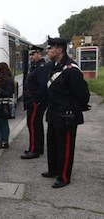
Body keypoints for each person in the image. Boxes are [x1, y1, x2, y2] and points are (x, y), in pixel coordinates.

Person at [41, 37, 90, 188]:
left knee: (65, 147)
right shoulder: (52, 66)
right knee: (52, 143)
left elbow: (82, 94)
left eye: (50, 48)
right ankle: (54, 170)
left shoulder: (71, 69)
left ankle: (64, 177)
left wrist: (74, 108)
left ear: (59, 49)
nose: (47, 51)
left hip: (66, 114)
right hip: (54, 112)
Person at [21, 45, 48, 159]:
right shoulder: (36, 66)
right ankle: (38, 148)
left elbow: (42, 85)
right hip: (32, 99)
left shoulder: (41, 67)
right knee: (36, 124)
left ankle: (34, 150)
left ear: (39, 54)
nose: (31, 56)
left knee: (32, 124)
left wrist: (36, 101)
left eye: (33, 54)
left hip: (35, 100)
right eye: (30, 54)